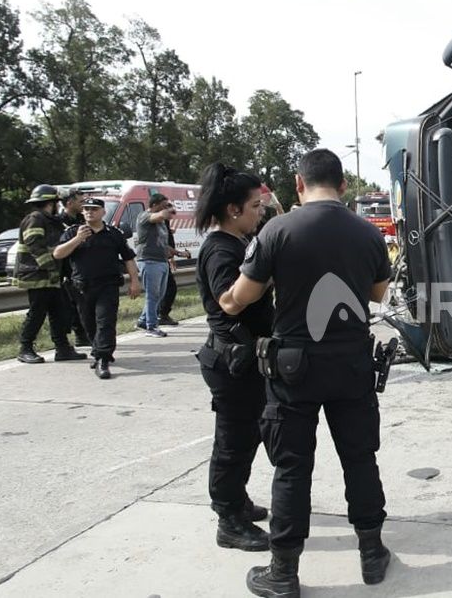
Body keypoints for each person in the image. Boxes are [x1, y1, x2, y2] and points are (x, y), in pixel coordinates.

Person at [220, 149, 392, 596]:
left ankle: (284, 572)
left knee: (292, 469)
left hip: (293, 367)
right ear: (342, 185)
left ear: (299, 183)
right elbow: (377, 295)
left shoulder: (277, 230)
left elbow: (241, 296)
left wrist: (230, 301)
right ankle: (372, 554)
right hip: (352, 364)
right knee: (360, 458)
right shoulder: (367, 232)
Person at [193, 163, 274, 552]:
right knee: (232, 443)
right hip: (231, 362)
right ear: (234, 210)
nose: (261, 212)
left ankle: (237, 500)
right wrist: (268, 273)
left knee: (248, 437)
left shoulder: (239, 243)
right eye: (256, 206)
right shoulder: (220, 249)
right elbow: (231, 302)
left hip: (246, 361)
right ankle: (228, 518)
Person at [54, 198, 141, 380]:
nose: (89, 212)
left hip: (107, 286)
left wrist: (134, 281)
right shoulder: (73, 232)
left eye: (94, 209)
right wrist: (78, 239)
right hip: (82, 287)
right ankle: (99, 350)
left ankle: (102, 358)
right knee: (89, 324)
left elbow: (128, 258)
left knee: (105, 322)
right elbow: (58, 254)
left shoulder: (113, 234)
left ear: (102, 212)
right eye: (86, 209)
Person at [12, 184, 87, 364]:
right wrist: (51, 269)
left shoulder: (50, 220)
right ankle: (25, 348)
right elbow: (35, 246)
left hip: (51, 276)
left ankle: (62, 348)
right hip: (37, 276)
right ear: (51, 203)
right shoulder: (35, 219)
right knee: (37, 313)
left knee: (60, 312)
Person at [135, 193, 175, 337]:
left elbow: (163, 243)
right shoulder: (144, 216)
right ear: (155, 205)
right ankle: (151, 327)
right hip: (149, 260)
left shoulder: (162, 223)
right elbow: (157, 216)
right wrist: (167, 210)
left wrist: (177, 253)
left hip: (161, 260)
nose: (167, 208)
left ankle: (143, 320)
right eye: (164, 205)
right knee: (152, 295)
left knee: (160, 294)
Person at [57, 188, 91, 347]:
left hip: (82, 268)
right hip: (66, 270)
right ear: (69, 203)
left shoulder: (82, 220)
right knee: (71, 307)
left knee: (84, 305)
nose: (83, 204)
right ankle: (78, 335)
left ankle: (85, 335)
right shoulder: (58, 222)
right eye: (80, 201)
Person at [158, 217, 191, 326]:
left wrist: (171, 258)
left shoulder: (164, 222)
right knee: (169, 288)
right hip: (158, 260)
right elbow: (163, 244)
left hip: (164, 259)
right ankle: (160, 315)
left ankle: (159, 314)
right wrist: (179, 254)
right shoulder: (159, 222)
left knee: (166, 288)